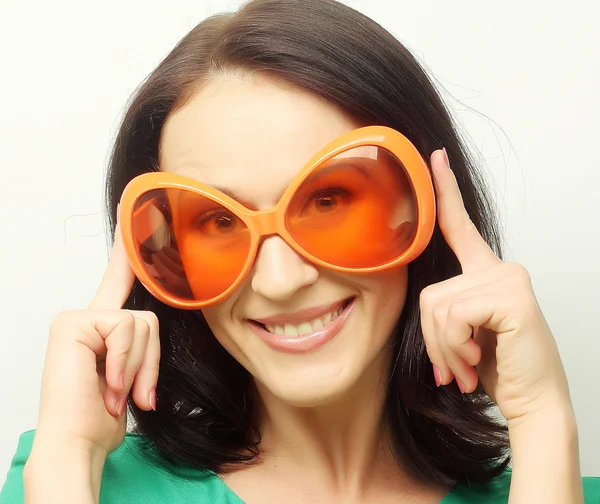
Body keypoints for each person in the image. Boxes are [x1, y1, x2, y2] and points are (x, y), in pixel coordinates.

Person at [1, 0, 599, 502]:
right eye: (215, 219)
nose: (281, 279)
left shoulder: (554, 485)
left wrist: (543, 423)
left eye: (330, 199)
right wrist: (68, 454)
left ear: (422, 205)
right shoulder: (64, 478)